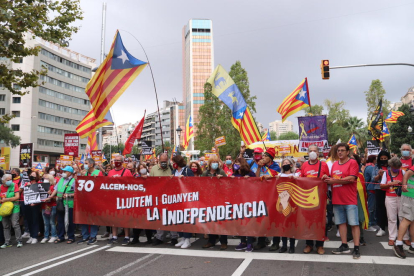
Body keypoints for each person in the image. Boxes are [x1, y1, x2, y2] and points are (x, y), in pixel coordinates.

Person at [324, 143, 361, 259]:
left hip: (349, 200)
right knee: (341, 224)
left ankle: (356, 248)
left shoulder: (352, 163)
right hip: (337, 199)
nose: (339, 152)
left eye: (342, 150)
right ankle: (344, 245)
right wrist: (326, 177)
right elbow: (332, 178)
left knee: (354, 224)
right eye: (338, 151)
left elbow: (351, 178)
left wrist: (333, 181)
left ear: (347, 152)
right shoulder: (334, 164)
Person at [301, 145, 330, 255]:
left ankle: (320, 245)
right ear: (308, 153)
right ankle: (309, 244)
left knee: (321, 222)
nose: (312, 152)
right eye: (310, 151)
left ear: (318, 153)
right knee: (308, 222)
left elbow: (328, 178)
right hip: (307, 198)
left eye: (314, 151)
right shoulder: (304, 165)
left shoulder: (324, 165)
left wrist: (326, 177)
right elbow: (301, 180)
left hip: (320, 198)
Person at [254, 147, 281, 250]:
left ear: (270, 158)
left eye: (265, 156)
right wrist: (259, 168)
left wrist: (267, 177)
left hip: (273, 195)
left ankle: (276, 242)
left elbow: (274, 177)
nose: (263, 157)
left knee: (274, 219)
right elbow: (257, 178)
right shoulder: (261, 166)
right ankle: (261, 241)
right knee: (261, 218)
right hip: (262, 195)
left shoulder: (276, 166)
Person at [380, 157, 410, 246]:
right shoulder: (386, 173)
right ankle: (392, 237)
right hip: (390, 197)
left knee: (403, 218)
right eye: (394, 167)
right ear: (390, 166)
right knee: (391, 218)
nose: (396, 169)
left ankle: (405, 237)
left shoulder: (403, 172)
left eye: (398, 167)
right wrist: (390, 184)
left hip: (402, 197)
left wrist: (402, 183)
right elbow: (381, 186)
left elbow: (408, 184)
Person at [273, 158, 299, 254]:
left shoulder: (296, 175)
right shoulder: (279, 175)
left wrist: (296, 178)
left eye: (287, 163)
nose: (285, 164)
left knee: (291, 224)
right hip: (282, 201)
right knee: (283, 224)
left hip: (292, 202)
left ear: (291, 165)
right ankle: (284, 245)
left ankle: (291, 246)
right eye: (284, 163)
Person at [201, 155, 227, 250]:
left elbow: (228, 184)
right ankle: (211, 241)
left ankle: (223, 242)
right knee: (210, 221)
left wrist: (222, 179)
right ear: (209, 164)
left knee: (221, 221)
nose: (215, 164)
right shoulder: (205, 173)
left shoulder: (221, 172)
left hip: (220, 200)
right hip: (209, 200)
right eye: (213, 162)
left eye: (216, 162)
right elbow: (201, 185)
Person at [231, 157, 256, 252]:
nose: (236, 164)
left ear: (243, 164)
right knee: (240, 222)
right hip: (238, 201)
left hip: (249, 201)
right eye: (235, 163)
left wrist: (250, 179)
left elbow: (257, 185)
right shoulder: (235, 174)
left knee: (248, 222)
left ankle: (250, 243)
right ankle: (243, 242)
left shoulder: (250, 174)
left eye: (238, 163)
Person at [106, 155, 133, 245]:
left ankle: (127, 236)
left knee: (125, 218)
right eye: (115, 160)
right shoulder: (110, 172)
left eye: (118, 160)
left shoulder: (127, 172)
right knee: (114, 218)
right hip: (113, 198)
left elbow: (132, 184)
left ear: (122, 162)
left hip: (124, 198)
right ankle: (114, 236)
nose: (116, 162)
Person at [47, 166, 76, 244]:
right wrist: (51, 196)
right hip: (60, 203)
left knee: (70, 221)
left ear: (70, 173)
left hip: (69, 204)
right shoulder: (61, 179)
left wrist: (69, 195)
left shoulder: (74, 181)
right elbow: (56, 189)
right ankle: (60, 236)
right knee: (60, 220)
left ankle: (71, 237)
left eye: (65, 171)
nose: (63, 173)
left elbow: (77, 193)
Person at [171, 155, 194, 249]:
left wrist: (185, 179)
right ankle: (183, 237)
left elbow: (193, 183)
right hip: (176, 198)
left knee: (186, 218)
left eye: (173, 162)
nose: (172, 164)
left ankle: (188, 239)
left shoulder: (187, 171)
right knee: (178, 218)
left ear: (177, 162)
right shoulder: (174, 171)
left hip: (186, 198)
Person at [78, 158, 103, 245]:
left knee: (93, 219)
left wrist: (97, 180)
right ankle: (85, 236)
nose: (84, 165)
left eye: (86, 163)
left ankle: (93, 236)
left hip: (94, 200)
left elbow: (101, 186)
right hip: (85, 200)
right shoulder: (85, 173)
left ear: (91, 164)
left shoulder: (98, 173)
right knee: (84, 219)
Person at [393, 158, 414, 258]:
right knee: (407, 219)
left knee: (412, 221)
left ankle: (413, 245)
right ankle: (398, 244)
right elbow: (407, 174)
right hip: (410, 196)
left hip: (412, 196)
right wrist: (404, 184)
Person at [0, 173, 22, 248]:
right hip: (4, 208)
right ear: (3, 181)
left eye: (10, 179)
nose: (10, 181)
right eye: (8, 180)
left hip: (14, 207)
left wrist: (7, 199)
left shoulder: (14, 185)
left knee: (15, 224)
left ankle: (19, 240)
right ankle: (7, 242)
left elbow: (17, 196)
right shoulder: (1, 187)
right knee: (5, 225)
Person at [373, 151, 391, 237]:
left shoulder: (391, 166)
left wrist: (387, 174)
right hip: (379, 189)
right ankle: (381, 228)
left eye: (385, 158)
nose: (383, 160)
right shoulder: (376, 166)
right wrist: (379, 175)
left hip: (390, 189)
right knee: (380, 208)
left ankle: (391, 228)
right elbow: (374, 179)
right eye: (381, 159)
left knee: (390, 209)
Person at [24, 171, 42, 244]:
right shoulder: (27, 184)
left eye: (33, 175)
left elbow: (42, 194)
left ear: (36, 176)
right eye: (31, 174)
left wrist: (35, 203)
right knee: (29, 220)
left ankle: (35, 236)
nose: (32, 175)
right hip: (28, 204)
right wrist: (27, 186)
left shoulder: (39, 184)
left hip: (36, 205)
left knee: (35, 220)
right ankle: (31, 235)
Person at [40, 174, 57, 244]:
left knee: (52, 222)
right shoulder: (41, 187)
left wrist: (51, 195)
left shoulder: (53, 187)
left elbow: (56, 198)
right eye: (44, 178)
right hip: (44, 206)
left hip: (52, 205)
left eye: (46, 178)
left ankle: (53, 235)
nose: (45, 179)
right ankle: (46, 236)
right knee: (45, 222)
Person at [364, 155, 378, 231]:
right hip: (371, 188)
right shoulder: (371, 167)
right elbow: (374, 178)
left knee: (373, 207)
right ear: (373, 160)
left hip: (371, 188)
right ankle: (368, 224)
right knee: (371, 207)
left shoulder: (368, 166)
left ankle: (372, 222)